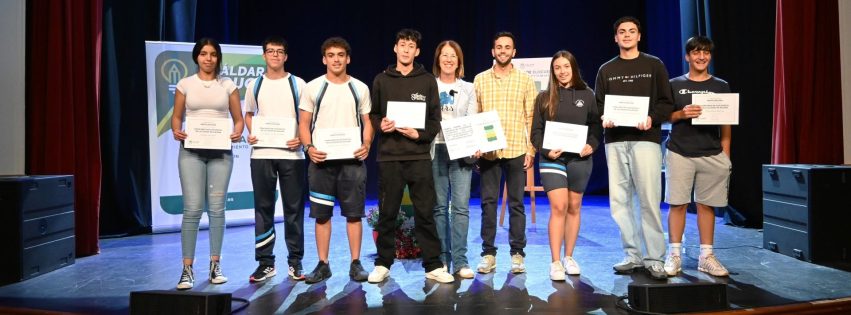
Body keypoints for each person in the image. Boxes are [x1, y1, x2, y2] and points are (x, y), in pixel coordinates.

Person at [367, 29, 454, 283]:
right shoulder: (382, 80)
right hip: (389, 157)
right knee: (388, 213)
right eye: (402, 45)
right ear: (395, 48)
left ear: (417, 51)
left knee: (425, 212)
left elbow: (435, 120)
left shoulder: (427, 80)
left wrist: (420, 135)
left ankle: (433, 264)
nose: (406, 50)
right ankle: (383, 263)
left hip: (418, 157)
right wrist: (379, 123)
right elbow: (373, 114)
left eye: (411, 46)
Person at [594, 16, 674, 280]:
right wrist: (604, 117)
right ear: (615, 38)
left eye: (631, 31)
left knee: (649, 199)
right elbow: (598, 106)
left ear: (639, 36)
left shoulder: (654, 65)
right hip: (615, 141)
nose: (626, 35)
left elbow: (666, 103)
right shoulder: (606, 69)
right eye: (621, 32)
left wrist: (651, 117)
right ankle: (632, 254)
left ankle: (654, 258)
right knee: (620, 201)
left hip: (646, 139)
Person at [170, 37, 244, 290]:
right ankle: (187, 269)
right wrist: (176, 130)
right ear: (197, 57)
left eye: (213, 54)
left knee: (216, 209)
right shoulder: (185, 84)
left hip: (220, 153)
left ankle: (215, 265)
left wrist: (237, 132)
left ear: (218, 57)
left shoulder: (228, 85)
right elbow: (176, 117)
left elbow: (238, 119)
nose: (208, 58)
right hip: (191, 152)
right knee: (191, 209)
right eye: (204, 53)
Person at [298, 37, 373, 283]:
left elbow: (367, 123)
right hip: (321, 162)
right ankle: (323, 264)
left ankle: (355, 263)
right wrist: (308, 147)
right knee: (321, 215)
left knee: (354, 214)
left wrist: (366, 145)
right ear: (324, 59)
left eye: (341, 54)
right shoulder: (312, 87)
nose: (336, 59)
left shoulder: (359, 87)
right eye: (331, 55)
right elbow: (304, 123)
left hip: (352, 161)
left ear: (348, 58)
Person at [663, 36, 732, 277]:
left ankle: (706, 256)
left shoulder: (721, 85)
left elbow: (726, 125)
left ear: (710, 56)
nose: (701, 56)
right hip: (679, 151)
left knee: (706, 205)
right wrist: (681, 114)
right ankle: (674, 255)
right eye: (696, 52)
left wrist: (725, 156)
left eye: (705, 52)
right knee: (678, 204)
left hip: (711, 154)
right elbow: (664, 117)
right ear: (687, 56)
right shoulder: (674, 84)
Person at [530, 51, 601, 281]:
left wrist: (591, 144)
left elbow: (595, 127)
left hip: (579, 159)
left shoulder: (587, 94)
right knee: (558, 206)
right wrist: (545, 150)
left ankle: (569, 257)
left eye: (566, 66)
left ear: (573, 68)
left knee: (574, 206)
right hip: (552, 159)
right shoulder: (543, 97)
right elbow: (536, 133)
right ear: (552, 71)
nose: (562, 71)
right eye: (557, 67)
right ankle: (555, 261)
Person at [473, 31, 538, 274]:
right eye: (498, 47)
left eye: (507, 47)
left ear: (514, 52)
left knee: (516, 204)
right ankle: (488, 254)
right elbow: (475, 116)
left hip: (516, 149)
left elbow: (531, 116)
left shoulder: (525, 80)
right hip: (489, 152)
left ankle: (518, 254)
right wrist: (476, 148)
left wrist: (531, 149)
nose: (503, 51)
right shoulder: (480, 79)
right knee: (488, 204)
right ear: (493, 51)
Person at [243, 36, 307, 282]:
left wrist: (301, 139)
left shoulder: (298, 84)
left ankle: (295, 262)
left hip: (293, 155)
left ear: (286, 56)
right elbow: (249, 114)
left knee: (293, 210)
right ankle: (266, 263)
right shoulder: (254, 84)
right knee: (263, 209)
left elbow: (306, 118)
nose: (275, 55)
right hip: (262, 154)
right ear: (264, 55)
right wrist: (253, 132)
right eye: (271, 51)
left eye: (280, 51)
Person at [430, 40, 477, 279]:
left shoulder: (468, 88)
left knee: (460, 208)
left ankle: (460, 261)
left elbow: (472, 118)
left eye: (453, 56)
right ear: (438, 59)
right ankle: (441, 260)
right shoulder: (429, 84)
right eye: (444, 55)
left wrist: (475, 143)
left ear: (459, 61)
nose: (448, 59)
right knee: (438, 207)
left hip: (460, 150)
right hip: (435, 149)